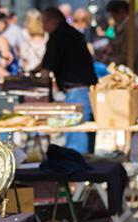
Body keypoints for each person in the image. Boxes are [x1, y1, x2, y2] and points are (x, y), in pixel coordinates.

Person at [40, 7, 97, 154]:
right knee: (86, 133)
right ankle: (86, 170)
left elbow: (46, 68)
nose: (42, 26)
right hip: (87, 90)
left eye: (44, 22)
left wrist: (36, 81)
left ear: (52, 21)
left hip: (76, 91)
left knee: (77, 137)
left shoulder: (58, 36)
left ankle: (79, 174)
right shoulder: (72, 33)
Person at [106, 0, 138, 78]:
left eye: (113, 16)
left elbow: (128, 55)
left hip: (137, 75)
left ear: (121, 12)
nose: (114, 19)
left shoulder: (130, 26)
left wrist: (108, 60)